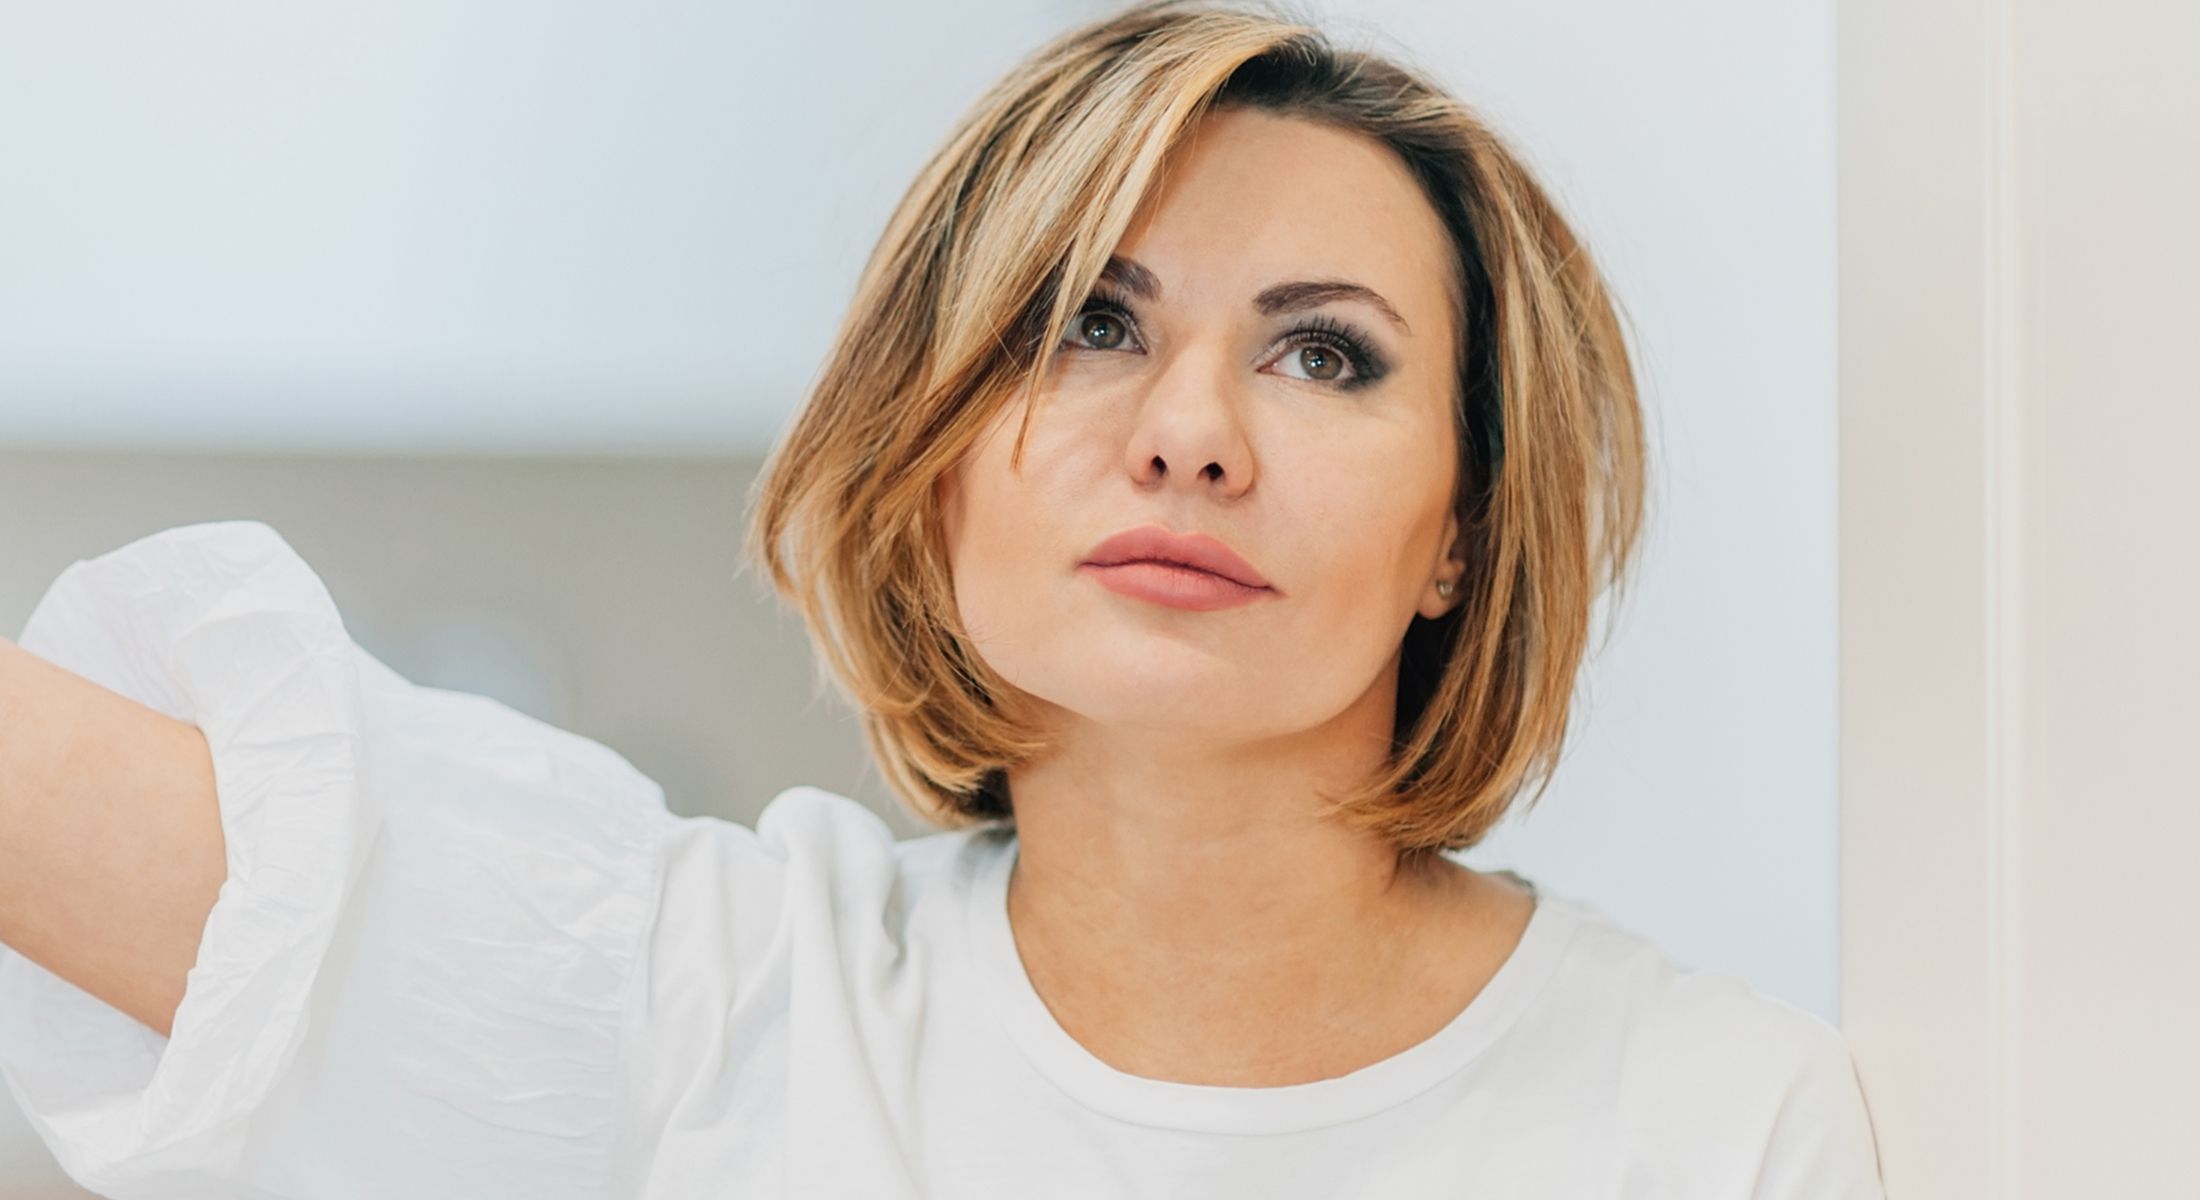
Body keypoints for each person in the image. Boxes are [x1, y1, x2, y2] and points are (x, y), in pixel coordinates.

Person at [0, 1, 1888, 1195]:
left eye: (1325, 359)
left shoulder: (1718, 1123)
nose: (1190, 436)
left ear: (1467, 527)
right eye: (1090, 326)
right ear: (936, 444)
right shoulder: (694, 1004)